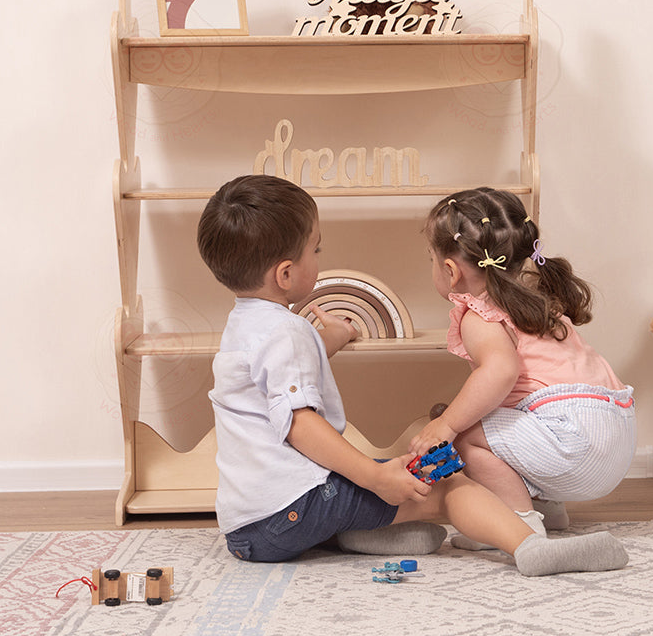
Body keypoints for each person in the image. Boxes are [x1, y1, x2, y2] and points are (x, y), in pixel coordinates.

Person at [197, 174, 628, 576]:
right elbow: (299, 425)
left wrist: (330, 339)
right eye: (316, 250)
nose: (319, 257)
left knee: (389, 484)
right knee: (444, 483)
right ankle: (530, 546)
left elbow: (280, 376)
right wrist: (373, 475)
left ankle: (360, 531)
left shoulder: (245, 325)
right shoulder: (286, 331)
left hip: (250, 529)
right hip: (293, 508)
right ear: (286, 273)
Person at [412, 187, 636, 548]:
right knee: (506, 418)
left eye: (431, 258)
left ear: (450, 271)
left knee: (466, 432)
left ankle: (518, 523)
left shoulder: (481, 314)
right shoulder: (536, 302)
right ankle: (548, 509)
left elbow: (500, 373)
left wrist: (447, 424)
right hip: (616, 437)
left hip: (574, 440)